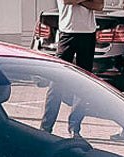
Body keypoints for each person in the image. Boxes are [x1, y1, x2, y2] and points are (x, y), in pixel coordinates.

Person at [41, 0, 104, 136]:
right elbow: (67, 1)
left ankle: (74, 129)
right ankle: (46, 128)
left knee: (83, 82)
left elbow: (99, 5)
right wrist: (87, 2)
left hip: (88, 34)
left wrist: (79, 2)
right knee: (56, 82)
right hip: (67, 33)